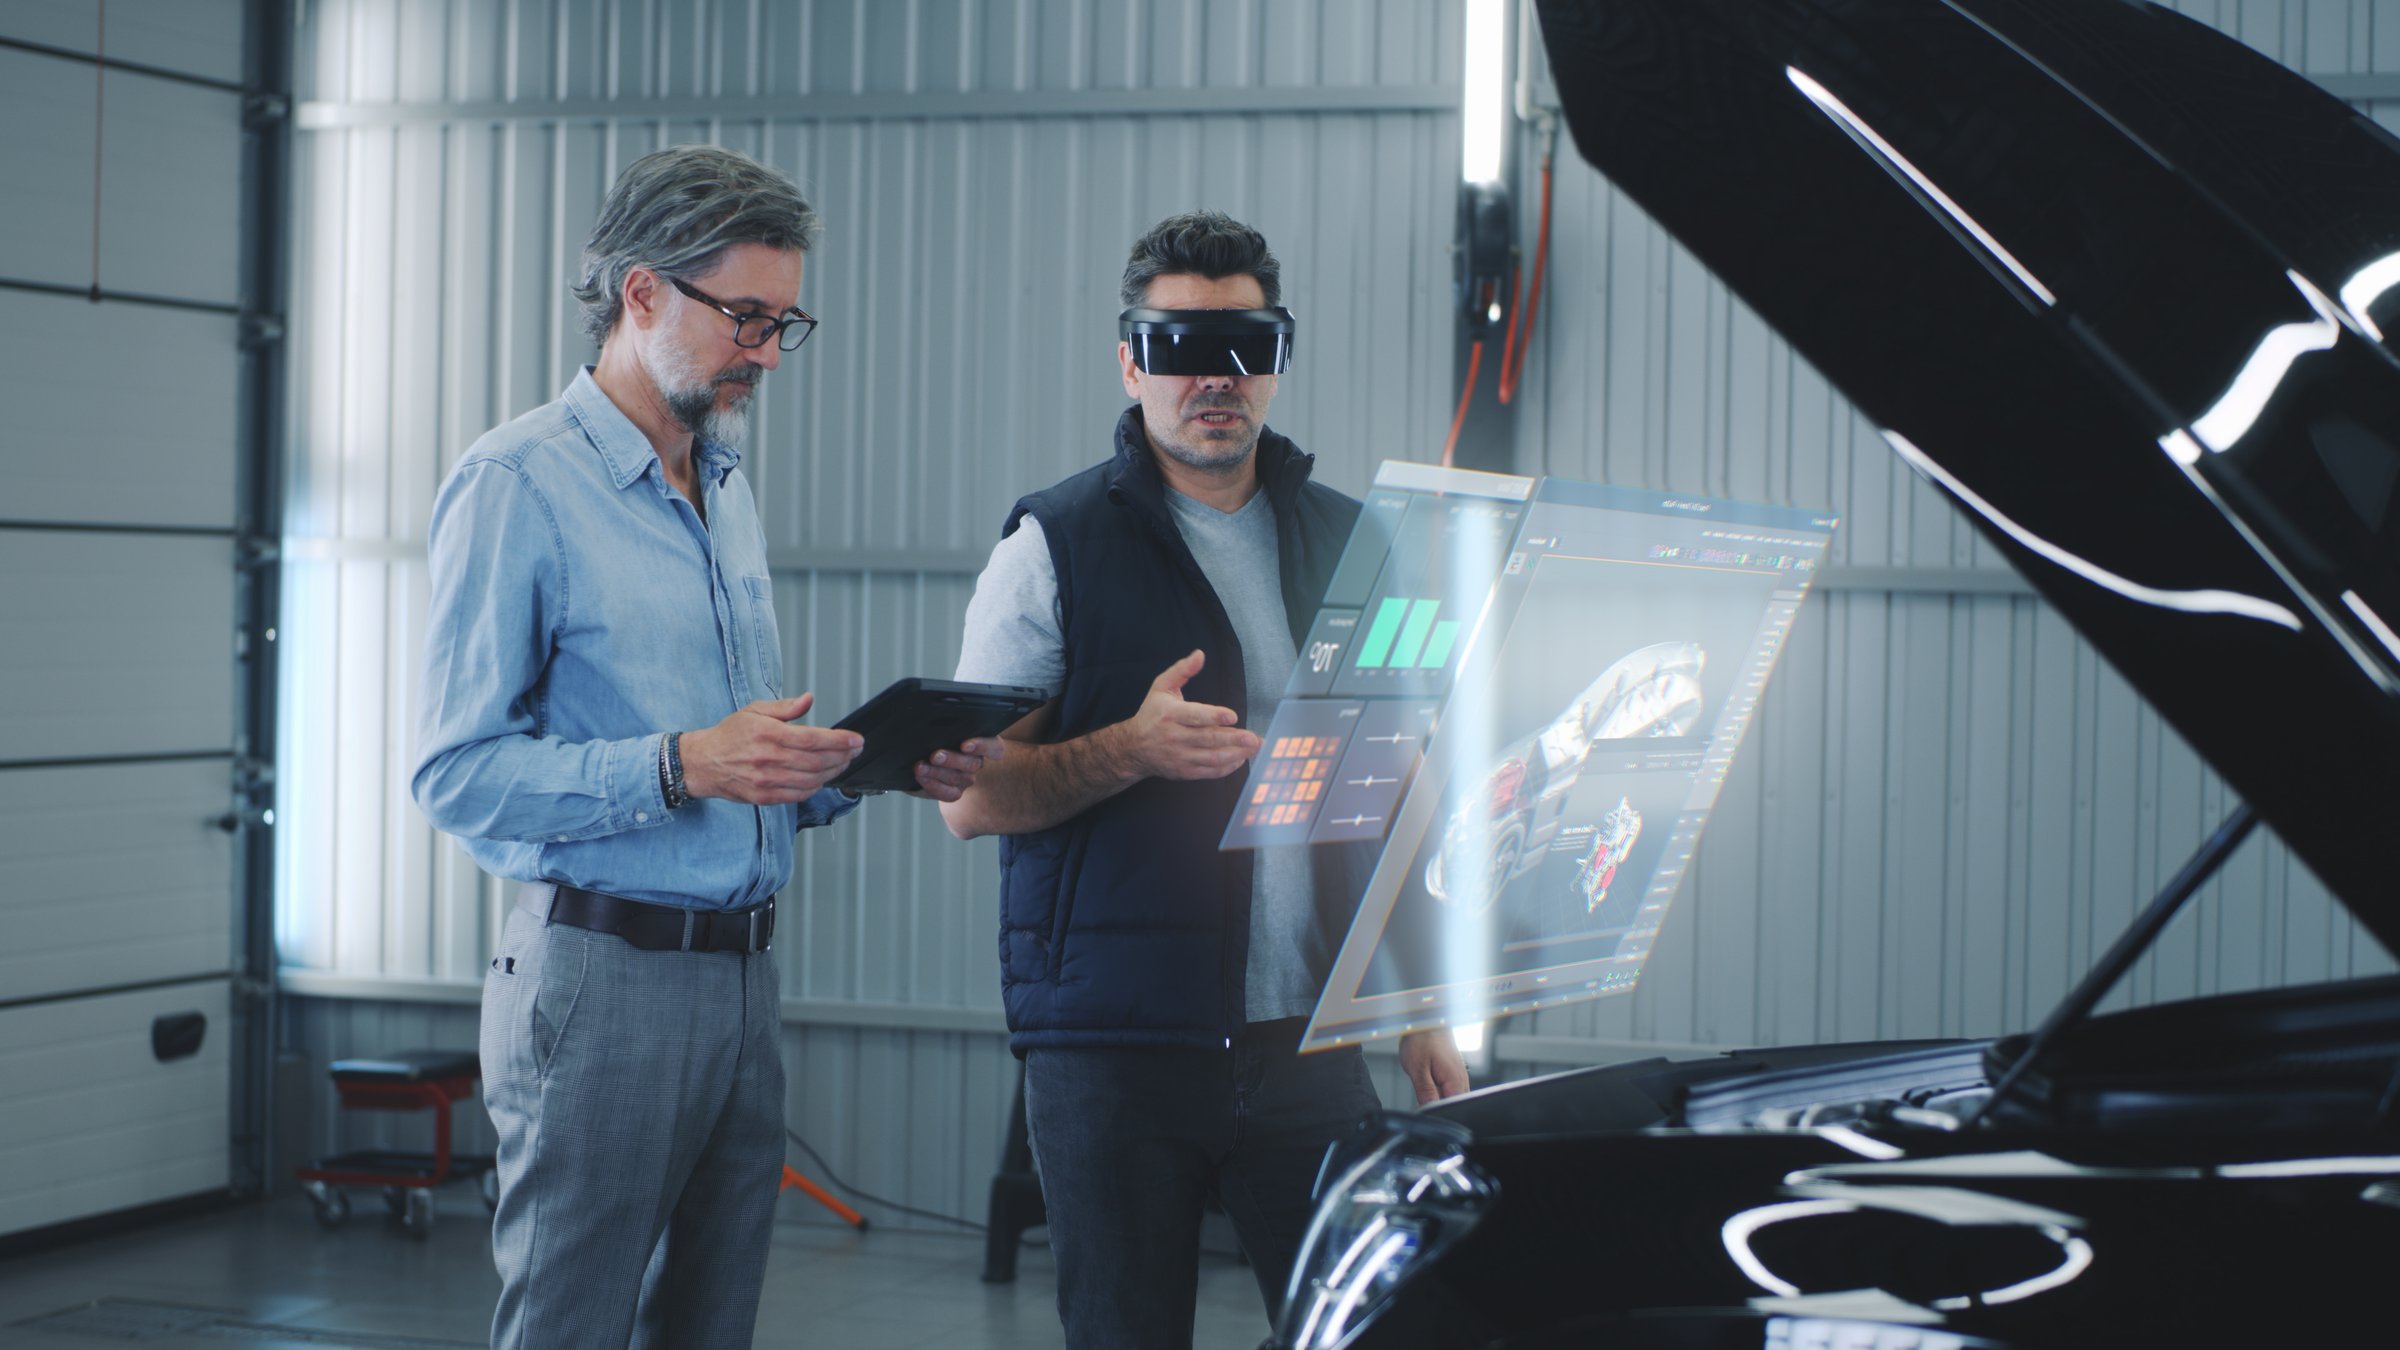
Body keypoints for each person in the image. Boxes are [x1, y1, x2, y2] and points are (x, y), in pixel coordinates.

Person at [411, 143, 994, 1350]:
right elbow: (456, 775)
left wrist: (855, 767)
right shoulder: (518, 485)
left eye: (786, 324)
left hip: (739, 982)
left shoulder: (721, 482)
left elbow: (738, 756)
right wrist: (681, 763)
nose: (769, 354)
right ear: (639, 293)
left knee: (708, 1328)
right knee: (571, 1327)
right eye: (745, 318)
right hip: (601, 985)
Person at [940, 210, 1471, 1349]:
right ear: (1130, 361)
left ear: (1279, 357)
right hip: (1114, 1051)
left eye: (1246, 344)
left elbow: (1401, 776)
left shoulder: (1358, 544)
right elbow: (976, 800)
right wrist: (1128, 747)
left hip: (1307, 1046)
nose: (1214, 379)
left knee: (1374, 1330)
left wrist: (1419, 1002)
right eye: (1178, 346)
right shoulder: (1052, 545)